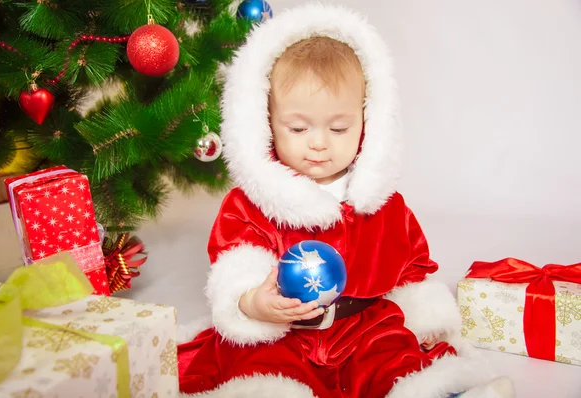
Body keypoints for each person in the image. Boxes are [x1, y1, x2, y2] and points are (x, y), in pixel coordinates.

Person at [177, 3, 515, 397]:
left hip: (363, 325)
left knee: (395, 357)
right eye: (298, 127)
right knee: (259, 368)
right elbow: (234, 265)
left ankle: (442, 392)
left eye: (339, 128)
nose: (318, 143)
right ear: (266, 123)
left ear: (368, 123)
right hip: (284, 332)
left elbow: (411, 269)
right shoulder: (250, 205)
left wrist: (425, 318)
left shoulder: (382, 204)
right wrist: (253, 303)